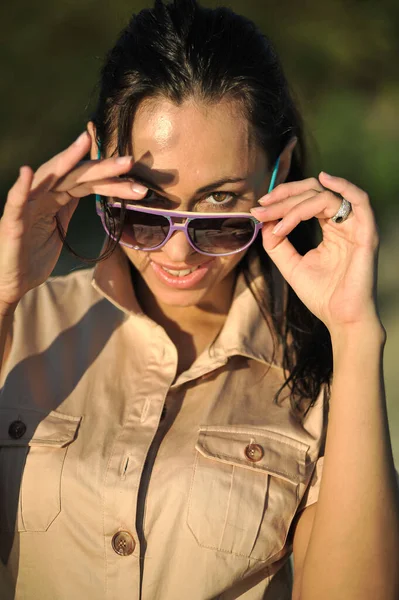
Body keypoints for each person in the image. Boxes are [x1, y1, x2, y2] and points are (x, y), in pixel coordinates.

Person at [0, 0, 398, 598]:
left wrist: (356, 335)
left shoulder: (320, 375)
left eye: (219, 205)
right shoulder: (19, 321)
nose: (179, 254)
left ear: (279, 169)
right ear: (103, 161)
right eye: (147, 207)